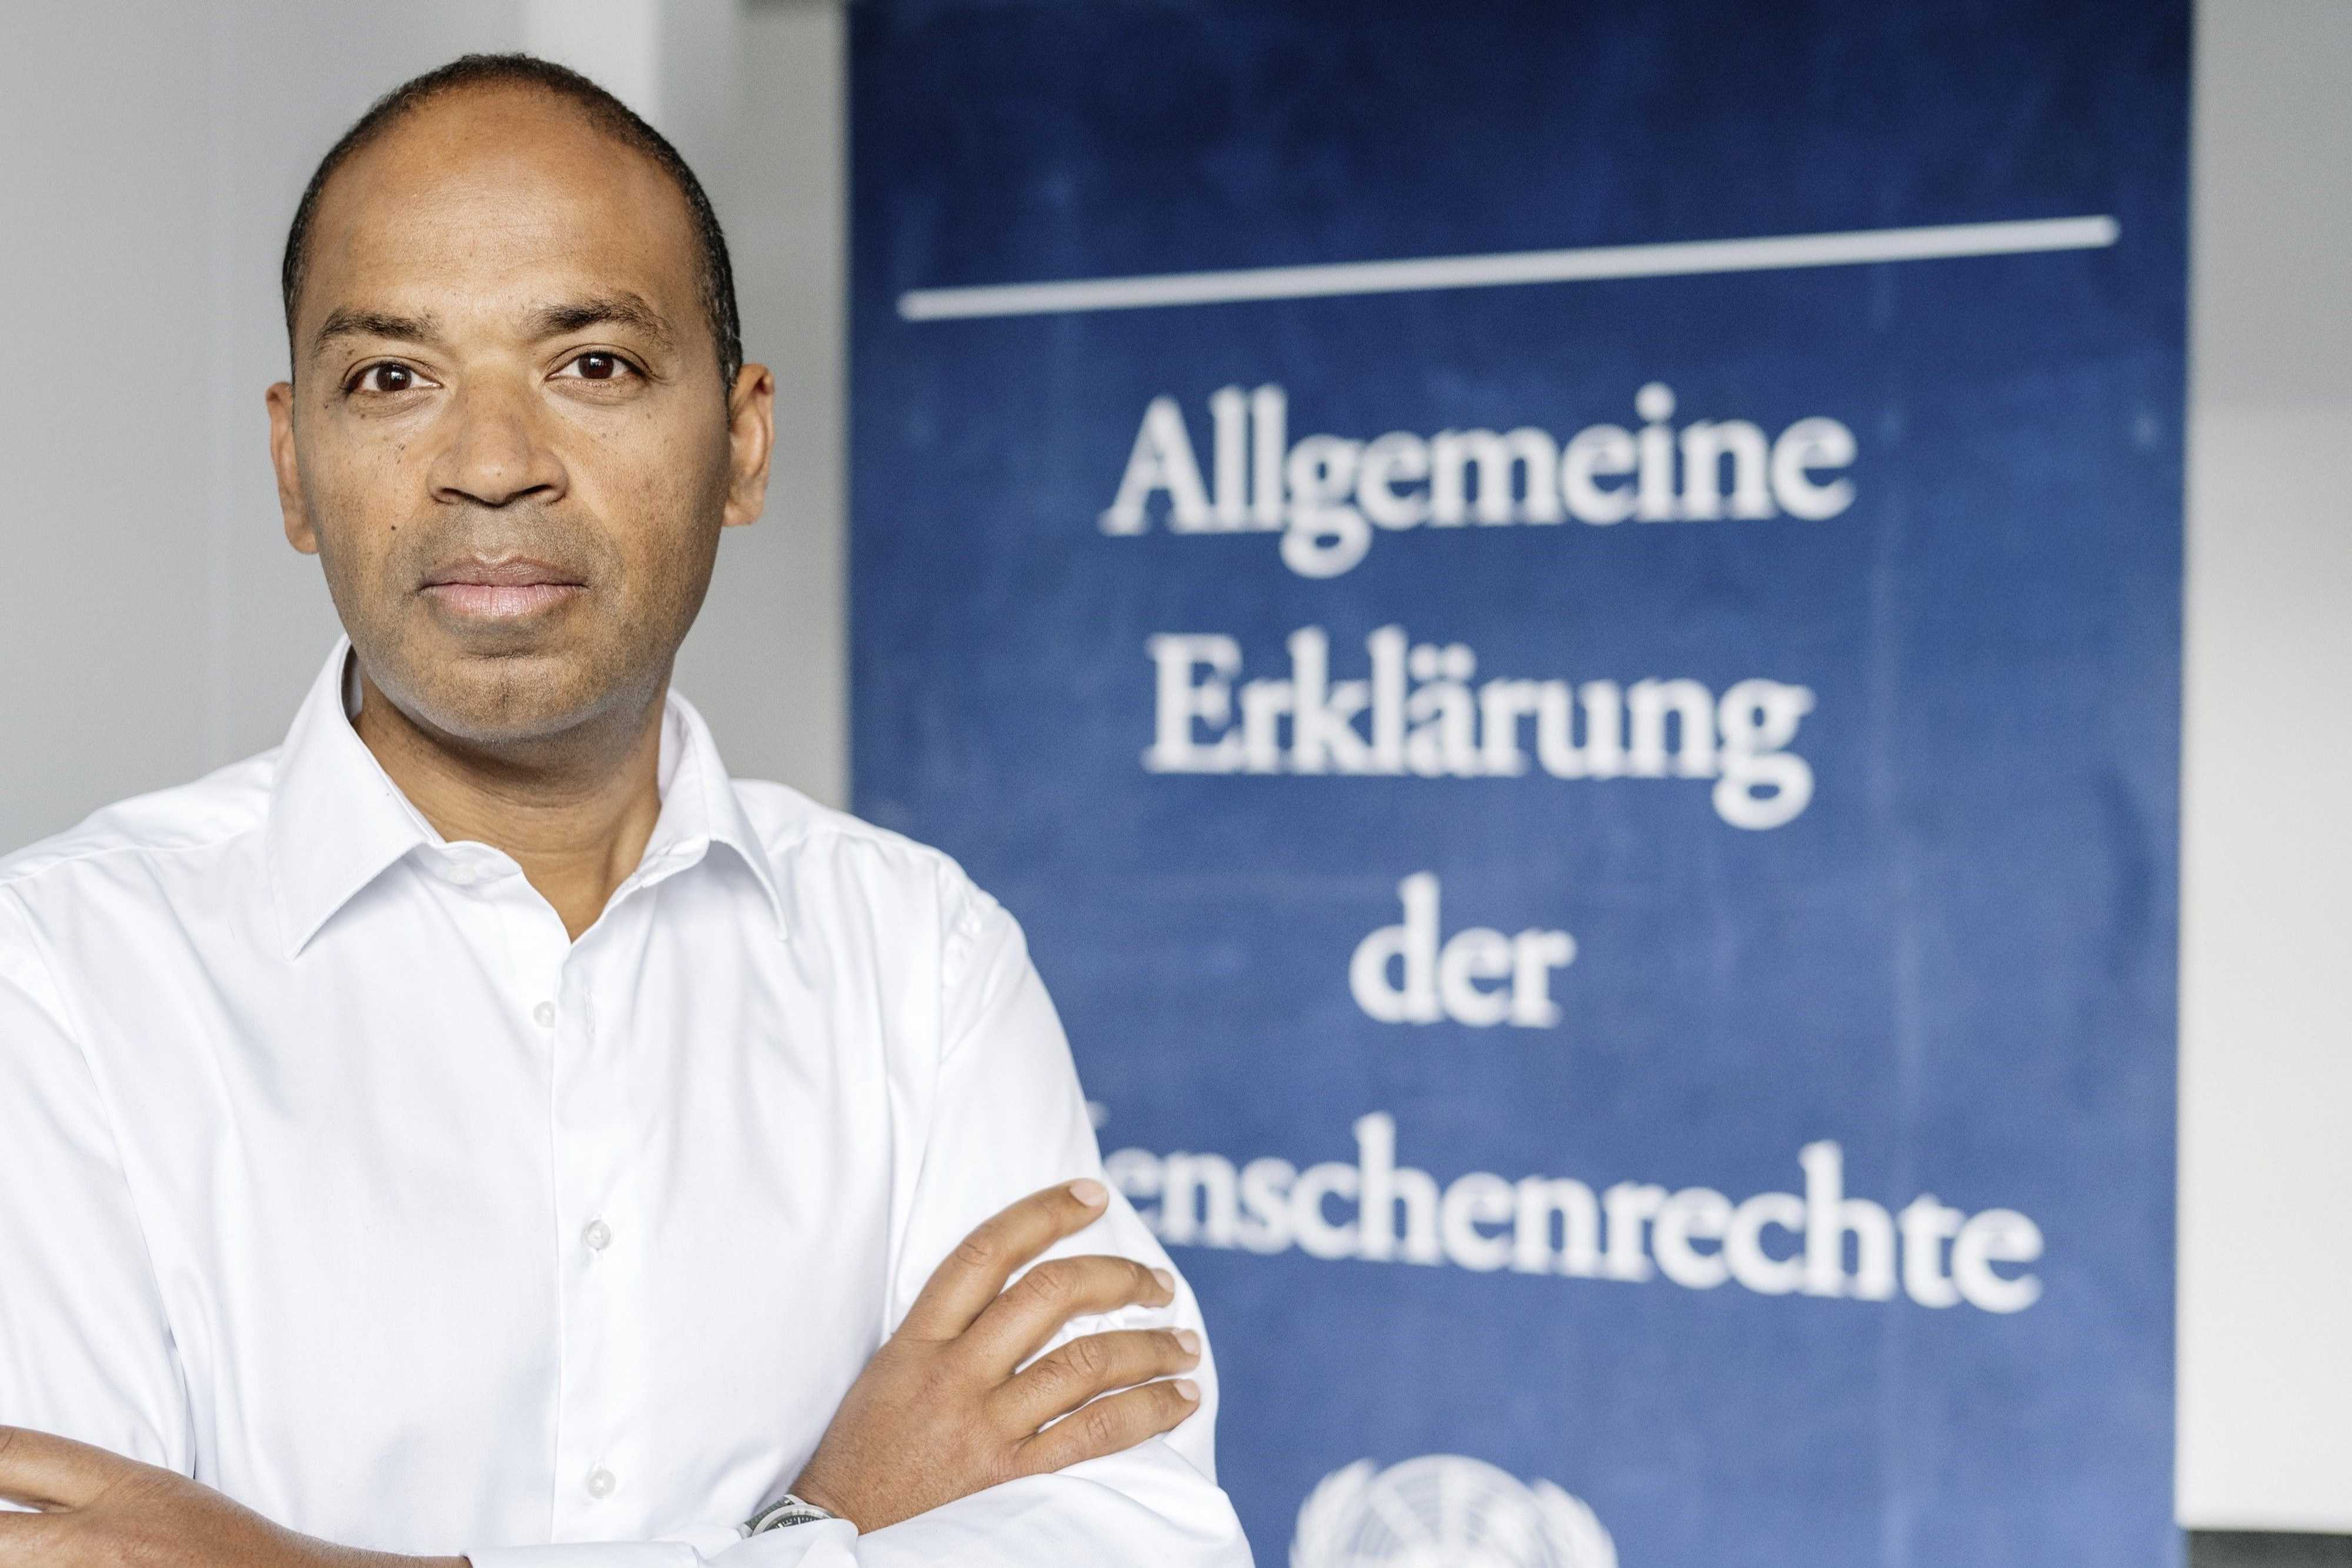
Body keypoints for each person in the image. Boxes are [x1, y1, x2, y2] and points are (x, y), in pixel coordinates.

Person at [0, 54, 1249, 1568]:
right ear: (293, 465)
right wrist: (827, 1525)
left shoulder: (919, 957)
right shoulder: (54, 982)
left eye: (591, 363)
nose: (492, 468)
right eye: (392, 376)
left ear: (745, 442)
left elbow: (1133, 1540)